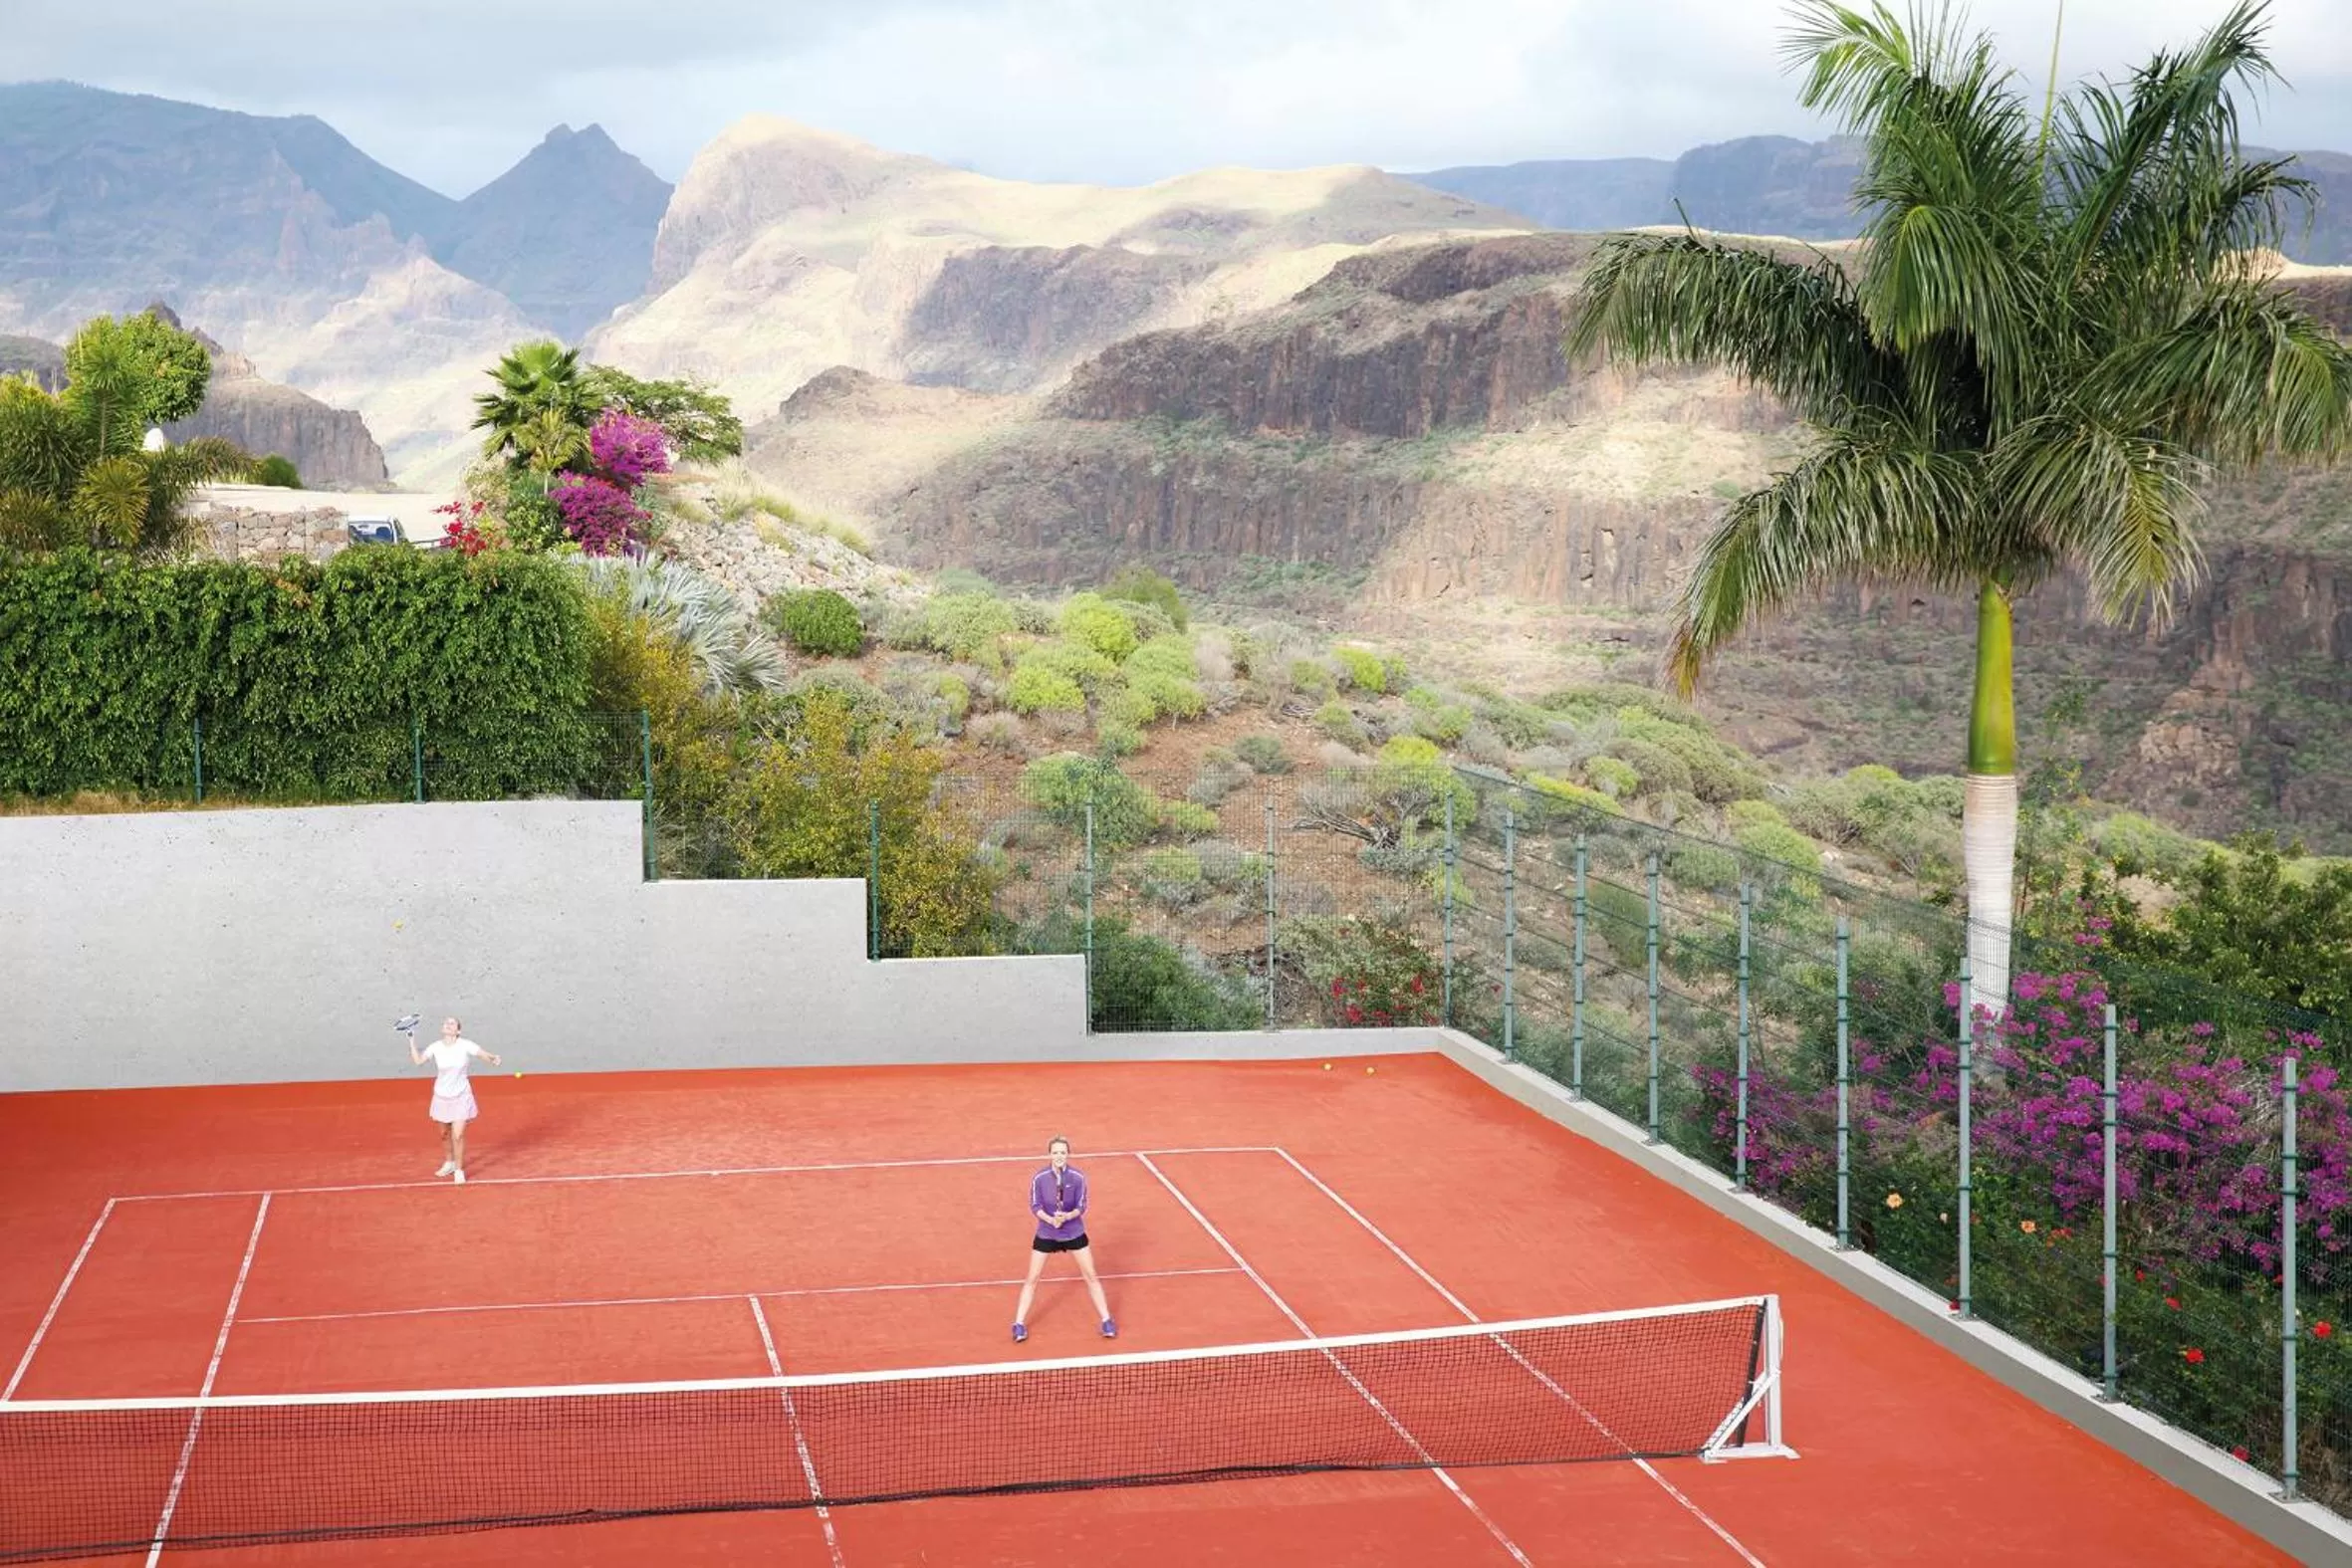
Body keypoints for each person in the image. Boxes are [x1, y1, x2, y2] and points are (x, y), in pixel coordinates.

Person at [1012, 1136, 1114, 1343]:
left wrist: (1067, 1217)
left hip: (1074, 1232)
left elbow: (1082, 1205)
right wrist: (1050, 1220)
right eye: (1056, 1152)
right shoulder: (1039, 1178)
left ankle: (1106, 1320)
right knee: (1032, 1278)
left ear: (1068, 1154)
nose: (1059, 1156)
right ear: (1050, 1154)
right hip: (1047, 1233)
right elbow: (1035, 1205)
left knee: (1091, 1276)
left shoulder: (1078, 1178)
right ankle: (1018, 1324)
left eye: (1063, 1152)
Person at [407, 1017, 501, 1184]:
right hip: (441, 1096)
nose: (448, 1024)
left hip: (461, 1095)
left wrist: (493, 1058)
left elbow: (482, 1054)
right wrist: (411, 1040)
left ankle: (459, 1170)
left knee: (457, 1135)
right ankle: (449, 1162)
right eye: (445, 1023)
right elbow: (418, 1061)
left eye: (452, 1023)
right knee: (444, 1134)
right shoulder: (435, 1047)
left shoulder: (465, 1045)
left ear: (458, 1031)